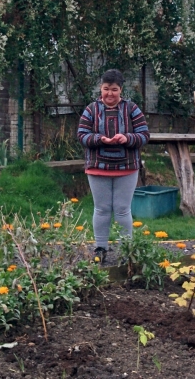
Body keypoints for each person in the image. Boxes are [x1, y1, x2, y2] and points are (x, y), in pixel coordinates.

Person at [77, 69, 150, 263]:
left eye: (114, 89)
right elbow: (82, 135)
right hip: (97, 166)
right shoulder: (91, 109)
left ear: (121, 90)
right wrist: (99, 139)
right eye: (106, 89)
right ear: (101, 88)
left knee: (122, 209)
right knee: (101, 208)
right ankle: (100, 248)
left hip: (127, 167)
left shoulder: (132, 109)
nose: (110, 94)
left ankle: (127, 249)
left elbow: (144, 135)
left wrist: (127, 138)